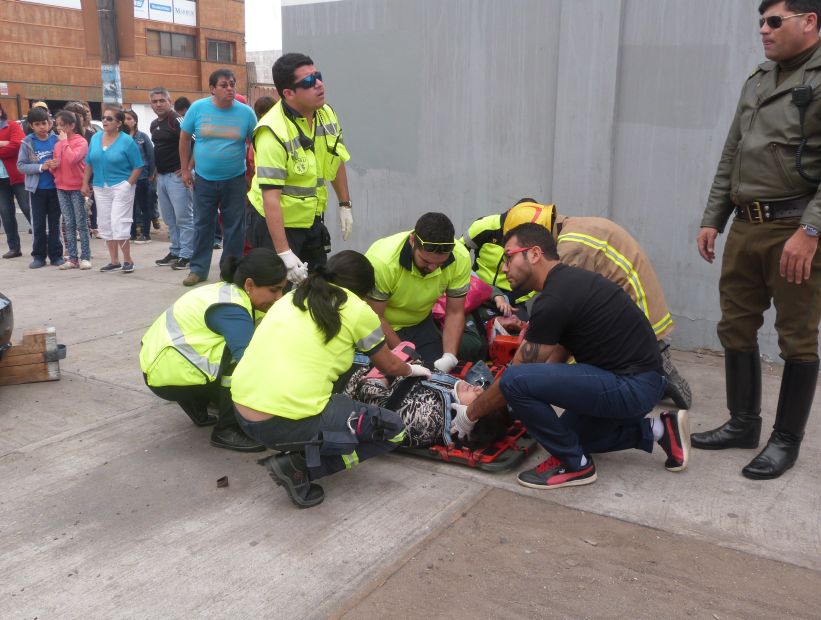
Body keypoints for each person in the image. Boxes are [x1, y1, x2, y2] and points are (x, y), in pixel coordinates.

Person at [452, 223, 689, 489]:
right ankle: (659, 430)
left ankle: (576, 465)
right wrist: (529, 401)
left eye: (508, 256)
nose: (504, 267)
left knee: (514, 381)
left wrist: (470, 414)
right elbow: (558, 355)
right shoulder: (569, 283)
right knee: (563, 434)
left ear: (534, 254)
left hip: (630, 387)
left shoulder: (554, 298)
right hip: (640, 382)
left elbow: (518, 374)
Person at [694, 0, 821, 480]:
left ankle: (786, 440)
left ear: (809, 22)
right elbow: (734, 152)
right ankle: (743, 424)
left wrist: (810, 231)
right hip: (747, 224)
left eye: (774, 22)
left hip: (795, 229)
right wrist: (714, 217)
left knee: (797, 337)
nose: (764, 31)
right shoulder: (759, 79)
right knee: (737, 325)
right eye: (761, 23)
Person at [232, 250, 432, 508]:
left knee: (338, 390)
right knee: (392, 430)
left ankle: (305, 448)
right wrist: (413, 370)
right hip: (279, 422)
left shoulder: (292, 296)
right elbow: (388, 365)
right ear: (364, 291)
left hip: (241, 411)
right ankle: (301, 468)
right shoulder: (358, 310)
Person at [463, 199, 692, 409]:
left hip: (636, 306)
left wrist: (538, 377)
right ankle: (653, 375)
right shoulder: (570, 229)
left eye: (511, 256)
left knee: (581, 371)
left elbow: (567, 315)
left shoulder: (571, 249)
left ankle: (658, 372)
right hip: (633, 298)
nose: (506, 266)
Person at [140, 248, 288, 451]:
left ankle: (198, 403)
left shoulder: (227, 292)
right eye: (274, 290)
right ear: (250, 285)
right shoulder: (233, 309)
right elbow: (250, 365)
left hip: (161, 368)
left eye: (282, 290)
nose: (280, 297)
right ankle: (227, 430)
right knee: (244, 363)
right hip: (168, 375)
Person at [247, 53, 352, 283]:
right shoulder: (272, 131)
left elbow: (336, 158)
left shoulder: (326, 114)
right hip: (274, 223)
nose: (319, 84)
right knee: (276, 291)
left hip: (310, 218)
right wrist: (284, 252)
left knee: (317, 286)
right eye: (308, 81)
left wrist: (345, 204)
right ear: (288, 93)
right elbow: (270, 198)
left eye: (318, 76)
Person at [365, 212, 473, 370]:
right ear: (412, 241)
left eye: (440, 263)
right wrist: (408, 357)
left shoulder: (461, 257)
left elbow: (455, 312)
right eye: (426, 261)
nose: (433, 268)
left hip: (420, 323)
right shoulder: (382, 262)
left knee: (434, 375)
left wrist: (449, 356)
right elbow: (375, 318)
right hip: (379, 328)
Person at [179, 69, 257, 287]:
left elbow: (256, 144)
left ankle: (229, 270)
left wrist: (253, 174)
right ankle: (198, 269)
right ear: (212, 88)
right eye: (224, 85)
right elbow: (184, 139)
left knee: (234, 226)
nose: (230, 88)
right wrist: (185, 170)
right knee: (203, 224)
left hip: (235, 179)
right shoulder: (198, 108)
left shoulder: (246, 113)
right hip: (204, 179)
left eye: (232, 84)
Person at [81, 106, 143, 273]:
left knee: (119, 222)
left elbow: (138, 166)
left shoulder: (127, 141)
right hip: (100, 186)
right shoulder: (95, 138)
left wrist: (128, 184)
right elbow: (89, 162)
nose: (105, 121)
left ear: (118, 123)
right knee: (105, 223)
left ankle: (128, 260)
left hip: (121, 186)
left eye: (109, 118)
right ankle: (114, 261)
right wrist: (85, 183)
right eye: (104, 118)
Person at [148, 87, 195, 270]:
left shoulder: (177, 120)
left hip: (177, 177)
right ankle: (175, 250)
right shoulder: (154, 124)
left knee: (184, 217)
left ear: (170, 101)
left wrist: (187, 169)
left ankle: (187, 254)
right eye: (154, 101)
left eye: (162, 100)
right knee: (169, 218)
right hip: (162, 177)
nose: (158, 104)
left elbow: (196, 141)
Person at [16, 106, 63, 268]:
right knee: (38, 225)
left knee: (55, 224)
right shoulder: (27, 142)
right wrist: (40, 167)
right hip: (36, 190)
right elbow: (21, 166)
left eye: (44, 123)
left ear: (50, 123)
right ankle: (38, 256)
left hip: (56, 189)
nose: (42, 127)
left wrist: (57, 164)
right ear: (31, 125)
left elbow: (65, 160)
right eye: (38, 124)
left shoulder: (57, 140)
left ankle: (56, 255)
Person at [52, 110, 91, 270]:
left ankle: (86, 257)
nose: (59, 128)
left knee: (81, 223)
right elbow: (59, 164)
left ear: (72, 125)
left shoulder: (81, 142)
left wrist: (64, 142)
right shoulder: (58, 144)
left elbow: (73, 158)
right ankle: (72, 258)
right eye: (58, 125)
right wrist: (51, 167)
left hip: (77, 187)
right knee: (68, 223)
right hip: (61, 187)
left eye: (63, 125)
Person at [0, 101, 30, 259]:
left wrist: (4, 145)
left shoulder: (11, 126)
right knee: (6, 213)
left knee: (27, 208)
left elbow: (18, 145)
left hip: (17, 176)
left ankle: (45, 242)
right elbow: (10, 146)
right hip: (1, 180)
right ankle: (14, 247)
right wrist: (3, 144)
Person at [123, 110, 155, 245]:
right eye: (124, 119)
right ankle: (132, 233)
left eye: (129, 118)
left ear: (135, 121)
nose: (127, 121)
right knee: (130, 207)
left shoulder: (142, 137)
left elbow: (151, 155)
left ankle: (145, 234)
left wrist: (152, 174)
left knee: (144, 206)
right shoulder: (121, 138)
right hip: (127, 178)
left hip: (142, 177)